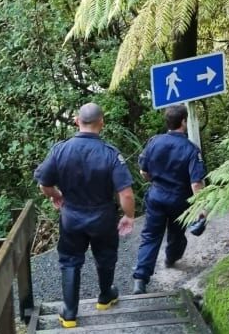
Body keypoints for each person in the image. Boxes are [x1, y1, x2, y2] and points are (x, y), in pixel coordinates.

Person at [34, 103, 136, 328]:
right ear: (102, 122)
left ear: (77, 122)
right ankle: (105, 296)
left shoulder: (60, 150)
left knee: (70, 261)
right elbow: (126, 193)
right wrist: (128, 216)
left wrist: (56, 196)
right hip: (103, 217)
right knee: (106, 256)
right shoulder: (110, 154)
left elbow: (44, 183)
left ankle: (69, 313)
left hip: (72, 216)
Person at [131, 104, 207, 294]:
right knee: (177, 233)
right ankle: (171, 258)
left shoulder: (154, 142)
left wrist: (156, 181)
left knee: (150, 236)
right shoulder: (191, 149)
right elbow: (196, 183)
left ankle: (140, 279)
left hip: (156, 196)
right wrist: (202, 209)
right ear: (183, 121)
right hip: (179, 200)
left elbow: (143, 171)